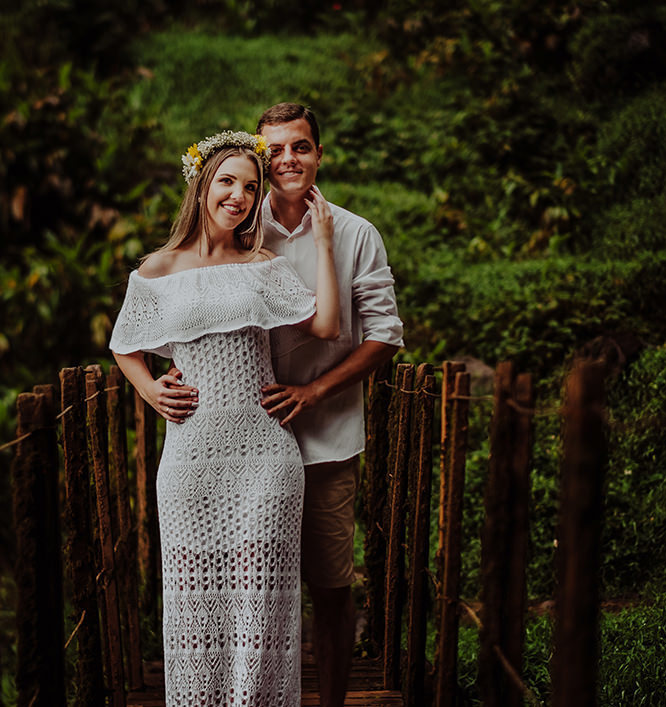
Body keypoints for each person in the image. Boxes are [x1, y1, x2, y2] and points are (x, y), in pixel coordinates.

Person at [109, 129, 340, 705]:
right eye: (227, 181)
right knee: (195, 606)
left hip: (265, 456)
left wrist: (326, 244)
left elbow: (326, 326)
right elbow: (124, 344)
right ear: (202, 185)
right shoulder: (158, 269)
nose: (238, 195)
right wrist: (149, 391)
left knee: (261, 605)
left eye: (250, 187)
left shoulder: (260, 267)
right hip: (190, 457)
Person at [257, 103, 404, 707]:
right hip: (253, 441)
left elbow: (384, 336)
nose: (288, 160)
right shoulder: (238, 227)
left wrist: (316, 391)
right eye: (275, 151)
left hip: (328, 441)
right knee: (261, 588)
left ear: (320, 154)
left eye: (300, 147)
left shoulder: (356, 232)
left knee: (331, 585)